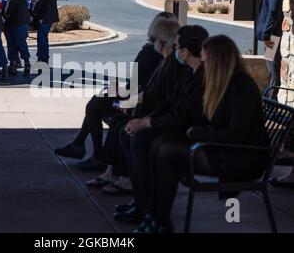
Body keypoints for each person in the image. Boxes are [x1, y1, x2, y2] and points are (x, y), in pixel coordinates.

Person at [136, 35, 269, 233]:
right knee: (159, 144)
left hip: (242, 156)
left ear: (217, 61)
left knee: (167, 151)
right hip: (225, 148)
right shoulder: (223, 84)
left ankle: (161, 221)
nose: (203, 65)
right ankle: (154, 215)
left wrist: (198, 132)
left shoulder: (241, 87)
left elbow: (235, 134)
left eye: (206, 61)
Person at [54, 12, 175, 172]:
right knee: (99, 99)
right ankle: (80, 144)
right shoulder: (173, 56)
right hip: (143, 99)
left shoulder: (148, 53)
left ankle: (95, 154)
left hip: (137, 103)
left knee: (95, 105)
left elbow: (133, 88)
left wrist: (118, 90)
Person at [114, 25, 208, 225]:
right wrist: (145, 120)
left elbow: (185, 115)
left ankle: (150, 211)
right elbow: (171, 102)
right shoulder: (191, 72)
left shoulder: (200, 75)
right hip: (181, 125)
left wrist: (149, 122)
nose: (174, 50)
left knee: (146, 140)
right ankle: (144, 204)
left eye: (177, 46)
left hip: (191, 133)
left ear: (184, 51)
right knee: (129, 132)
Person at [87, 17, 187, 196]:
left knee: (122, 126)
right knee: (116, 118)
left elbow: (160, 96)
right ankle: (114, 172)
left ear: (162, 41)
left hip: (162, 117)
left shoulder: (167, 62)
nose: (151, 43)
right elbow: (149, 91)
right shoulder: (166, 61)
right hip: (148, 106)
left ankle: (130, 181)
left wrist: (145, 118)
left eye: (153, 40)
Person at [256, 0, 285, 100]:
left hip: (272, 37)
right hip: (277, 35)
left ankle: (270, 102)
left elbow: (272, 14)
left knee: (272, 71)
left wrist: (266, 35)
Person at [3, 0, 32, 77]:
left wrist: (4, 14)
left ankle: (27, 64)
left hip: (18, 19)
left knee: (20, 42)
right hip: (12, 19)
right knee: (11, 43)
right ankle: (13, 65)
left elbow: (12, 1)